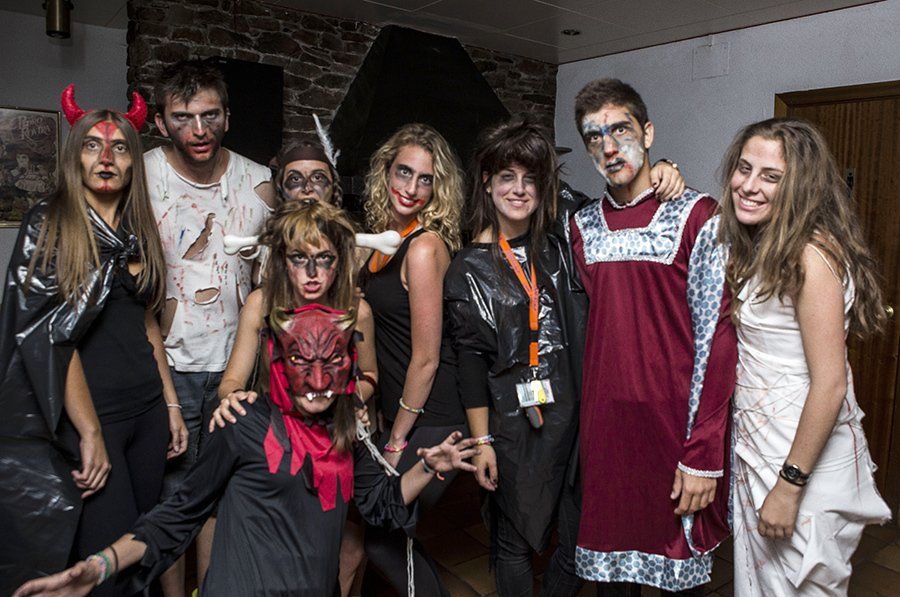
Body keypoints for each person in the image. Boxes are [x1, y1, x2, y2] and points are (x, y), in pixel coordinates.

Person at [14, 200, 480, 597]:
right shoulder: (244, 424)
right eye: (302, 359)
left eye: (333, 359)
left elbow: (381, 504)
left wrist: (427, 466)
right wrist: (99, 567)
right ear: (277, 353)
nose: (318, 377)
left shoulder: (344, 426)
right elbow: (177, 517)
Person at [0, 86, 186, 595]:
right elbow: (50, 337)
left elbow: (147, 323)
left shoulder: (136, 229)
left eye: (119, 147)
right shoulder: (50, 224)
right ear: (75, 157)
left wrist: (170, 405)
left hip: (147, 415)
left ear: (133, 162)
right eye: (92, 145)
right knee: (106, 569)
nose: (106, 158)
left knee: (144, 551)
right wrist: (89, 432)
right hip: (92, 417)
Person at [569, 78, 737, 594]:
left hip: (674, 436)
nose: (609, 147)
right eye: (594, 137)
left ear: (647, 132)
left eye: (620, 130)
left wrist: (703, 453)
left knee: (680, 581)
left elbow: (719, 338)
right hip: (607, 437)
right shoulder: (581, 227)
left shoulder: (698, 216)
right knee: (610, 582)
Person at [718, 118, 891, 595]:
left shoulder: (810, 256)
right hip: (762, 448)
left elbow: (831, 383)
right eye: (744, 168)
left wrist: (789, 486)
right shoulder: (766, 245)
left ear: (800, 186)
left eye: (770, 176)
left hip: (798, 462)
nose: (749, 186)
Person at [145, 59, 276, 595]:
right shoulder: (143, 176)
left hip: (235, 366)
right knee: (172, 493)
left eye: (210, 115)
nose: (199, 130)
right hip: (167, 365)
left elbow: (271, 276)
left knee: (223, 491)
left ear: (227, 116)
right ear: (160, 122)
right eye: (183, 117)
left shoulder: (260, 181)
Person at [444, 117, 588, 596]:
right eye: (508, 177)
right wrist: (482, 442)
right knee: (512, 544)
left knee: (577, 546)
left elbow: (615, 204)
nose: (520, 190)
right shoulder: (467, 269)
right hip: (511, 428)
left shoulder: (562, 243)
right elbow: (470, 364)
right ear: (488, 182)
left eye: (530, 179)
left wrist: (662, 170)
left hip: (573, 419)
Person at [356, 122, 469, 596]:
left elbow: (425, 359)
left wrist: (397, 438)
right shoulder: (382, 243)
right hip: (404, 409)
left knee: (383, 535)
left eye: (426, 179)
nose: (411, 188)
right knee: (384, 532)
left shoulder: (423, 247)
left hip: (433, 414)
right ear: (385, 171)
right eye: (404, 172)